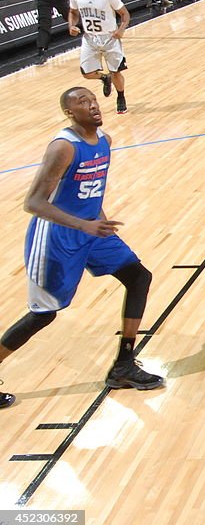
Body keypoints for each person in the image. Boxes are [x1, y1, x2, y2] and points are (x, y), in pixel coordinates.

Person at [0, 88, 164, 410]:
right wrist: (83, 225)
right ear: (69, 113)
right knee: (43, 315)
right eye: (82, 102)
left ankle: (124, 365)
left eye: (92, 100)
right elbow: (33, 202)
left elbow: (89, 193)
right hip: (56, 238)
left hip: (91, 229)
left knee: (139, 278)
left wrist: (96, 223)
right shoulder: (64, 147)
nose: (92, 105)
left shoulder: (105, 140)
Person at [68, 0, 131, 114]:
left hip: (109, 37)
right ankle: (104, 78)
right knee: (86, 73)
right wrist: (71, 25)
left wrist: (121, 30)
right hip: (90, 38)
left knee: (116, 71)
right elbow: (73, 12)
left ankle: (121, 97)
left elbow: (125, 14)